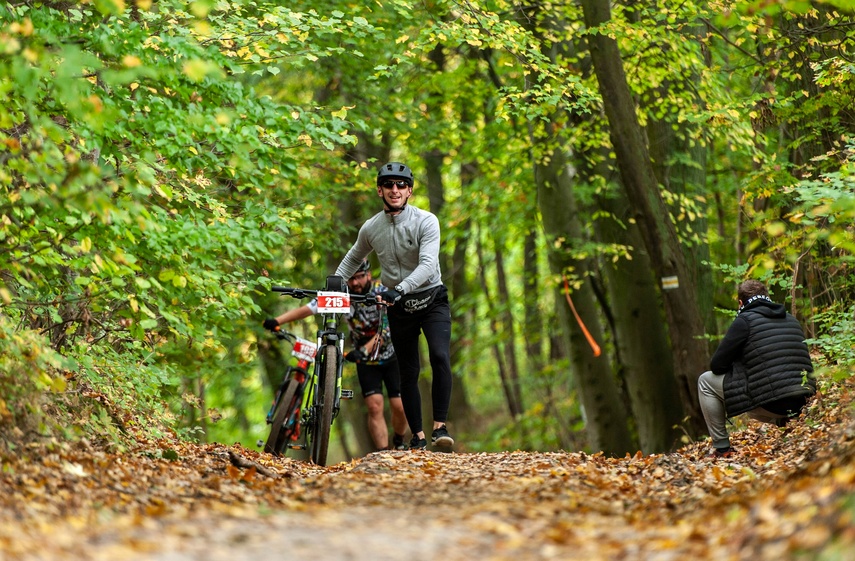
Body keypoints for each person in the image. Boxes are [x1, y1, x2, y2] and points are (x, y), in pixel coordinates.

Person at [334, 161, 455, 451]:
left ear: (410, 190)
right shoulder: (371, 228)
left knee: (439, 355)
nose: (395, 189)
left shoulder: (426, 221)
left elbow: (428, 265)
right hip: (400, 307)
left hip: (431, 298)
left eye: (401, 184)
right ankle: (420, 437)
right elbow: (353, 258)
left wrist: (397, 289)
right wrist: (334, 283)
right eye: (388, 184)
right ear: (380, 190)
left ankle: (440, 429)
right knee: (408, 372)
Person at [263, 260, 408, 452]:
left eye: (359, 277)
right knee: (374, 407)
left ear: (369, 275)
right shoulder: (342, 294)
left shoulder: (381, 292)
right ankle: (383, 453)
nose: (355, 283)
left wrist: (363, 349)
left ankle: (399, 441)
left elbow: (387, 328)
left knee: (399, 406)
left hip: (391, 356)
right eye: (351, 278)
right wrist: (277, 320)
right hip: (365, 361)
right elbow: (310, 308)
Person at [698, 279, 816, 457]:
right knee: (761, 391)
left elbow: (717, 365)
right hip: (804, 401)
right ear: (767, 298)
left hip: (773, 402)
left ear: (740, 303)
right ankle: (789, 420)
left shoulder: (744, 320)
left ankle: (722, 448)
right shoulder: (792, 319)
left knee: (705, 381)